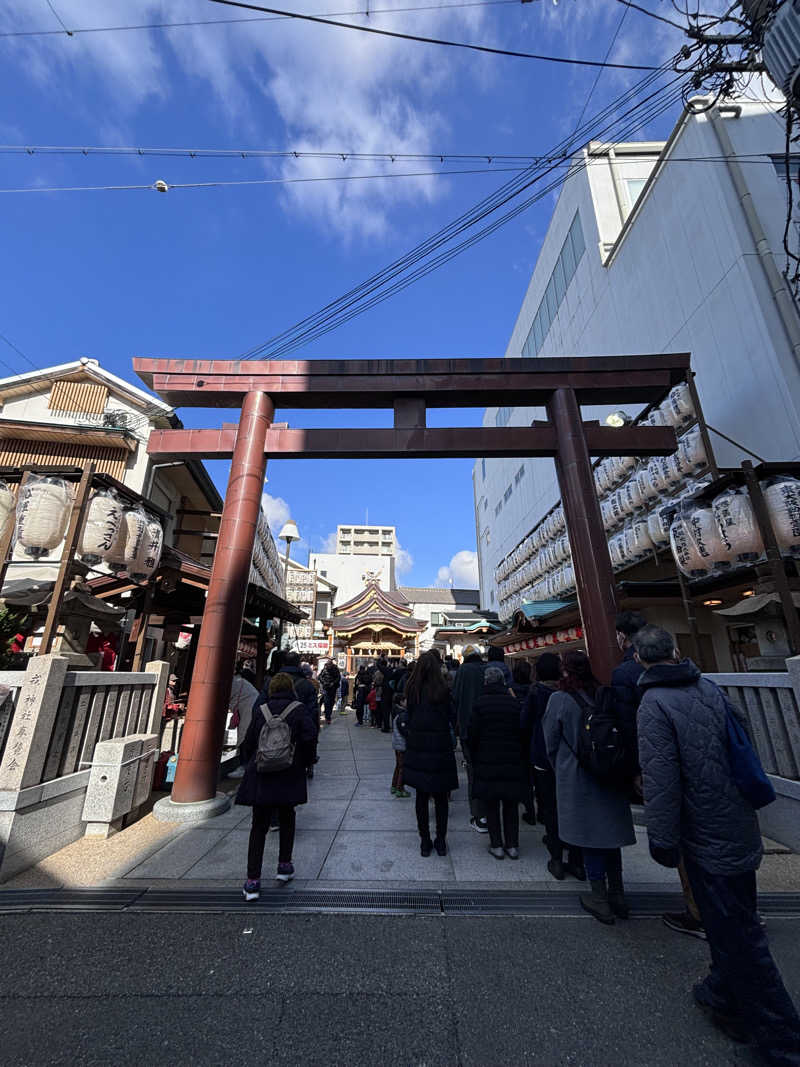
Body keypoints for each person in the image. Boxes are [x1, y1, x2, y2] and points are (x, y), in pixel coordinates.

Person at [635, 625, 800, 1064]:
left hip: (702, 831)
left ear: (639, 660)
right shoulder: (709, 688)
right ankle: (721, 994)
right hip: (736, 820)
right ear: (675, 651)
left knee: (741, 938)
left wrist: (662, 837)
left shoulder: (654, 703)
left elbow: (661, 779)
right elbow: (743, 741)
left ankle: (782, 1043)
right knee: (733, 921)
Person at [543, 650, 636, 924]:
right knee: (609, 837)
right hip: (612, 772)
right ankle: (618, 893)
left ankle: (599, 896)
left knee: (591, 838)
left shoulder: (559, 700)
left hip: (578, 775)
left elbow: (550, 741)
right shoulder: (605, 694)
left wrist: (559, 765)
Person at [237, 672, 316, 898]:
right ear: (291, 688)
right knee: (287, 818)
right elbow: (310, 737)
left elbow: (249, 741)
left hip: (262, 772)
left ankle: (252, 880)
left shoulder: (261, 710)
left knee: (258, 826)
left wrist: (252, 762)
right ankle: (284, 865)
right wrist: (304, 762)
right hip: (288, 770)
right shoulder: (298, 710)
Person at [522, 652, 585, 882]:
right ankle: (577, 860)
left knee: (549, 808)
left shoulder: (536, 693)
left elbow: (524, 723)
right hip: (571, 758)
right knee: (573, 807)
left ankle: (556, 858)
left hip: (542, 756)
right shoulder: (570, 692)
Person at [401, 651, 459, 856]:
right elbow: (453, 716)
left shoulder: (412, 689)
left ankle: (424, 841)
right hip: (440, 747)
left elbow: (407, 717)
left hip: (418, 747)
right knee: (441, 797)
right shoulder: (443, 690)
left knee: (421, 797)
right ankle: (441, 840)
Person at [468, 666, 527, 859]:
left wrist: (474, 756)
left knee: (491, 804)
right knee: (511, 804)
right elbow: (522, 731)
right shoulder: (514, 704)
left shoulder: (479, 704)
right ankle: (512, 845)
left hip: (487, 759)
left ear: (486, 682)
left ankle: (497, 845)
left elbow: (472, 734)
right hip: (512, 758)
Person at [453, 644, 488, 832]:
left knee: (472, 771)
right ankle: (489, 813)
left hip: (468, 727)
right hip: (488, 728)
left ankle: (478, 814)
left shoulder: (463, 670)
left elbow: (455, 696)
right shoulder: (487, 669)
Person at [282, 652, 321, 779]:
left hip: (277, 724)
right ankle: (309, 762)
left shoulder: (272, 681)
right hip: (300, 724)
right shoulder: (308, 685)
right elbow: (313, 711)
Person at [510, 659, 534, 823]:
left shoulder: (509, 690)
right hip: (535, 737)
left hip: (516, 737)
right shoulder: (536, 690)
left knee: (522, 774)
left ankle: (529, 808)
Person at [227, 665, 260, 779]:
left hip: (248, 710)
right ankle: (246, 765)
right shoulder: (241, 683)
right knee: (247, 736)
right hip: (250, 708)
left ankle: (244, 766)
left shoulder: (231, 682)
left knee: (245, 736)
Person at [390, 704, 410, 798]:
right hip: (402, 746)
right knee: (402, 768)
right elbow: (404, 730)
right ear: (401, 702)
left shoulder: (397, 714)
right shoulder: (402, 715)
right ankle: (400, 788)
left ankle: (394, 786)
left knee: (398, 766)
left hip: (397, 745)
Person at [318, 659, 341, 724]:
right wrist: (324, 682)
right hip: (325, 687)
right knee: (326, 702)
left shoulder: (335, 669)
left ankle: (328, 714)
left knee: (331, 702)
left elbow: (338, 678)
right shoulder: (324, 670)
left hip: (333, 688)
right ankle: (328, 717)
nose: (328, 666)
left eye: (329, 664)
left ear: (331, 664)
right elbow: (319, 677)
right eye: (327, 665)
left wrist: (333, 683)